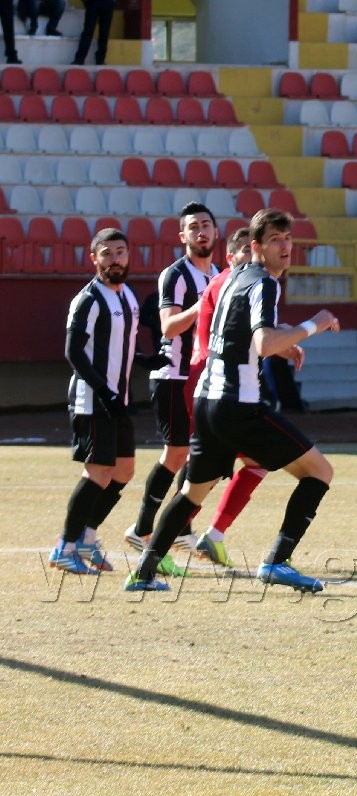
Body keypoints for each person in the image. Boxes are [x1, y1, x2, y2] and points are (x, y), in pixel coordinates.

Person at [126, 208, 341, 593]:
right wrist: (315, 323)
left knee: (192, 492)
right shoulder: (266, 284)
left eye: (288, 239)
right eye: (275, 240)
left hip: (207, 400)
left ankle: (143, 572)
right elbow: (263, 342)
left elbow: (237, 336)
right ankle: (276, 562)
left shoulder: (230, 278)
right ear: (256, 246)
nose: (285, 247)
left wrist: (282, 344)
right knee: (319, 472)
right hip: (238, 404)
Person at [49, 229, 170, 575]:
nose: (115, 259)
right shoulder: (88, 299)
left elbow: (124, 346)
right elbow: (74, 352)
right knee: (98, 471)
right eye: (107, 253)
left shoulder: (128, 296)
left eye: (120, 252)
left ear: (129, 256)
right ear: (94, 259)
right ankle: (64, 548)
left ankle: (87, 537)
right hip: (93, 399)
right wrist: (104, 392)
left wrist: (147, 361)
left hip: (117, 399)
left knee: (124, 470)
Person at [124, 202, 220, 575]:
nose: (201, 231)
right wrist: (203, 303)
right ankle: (143, 528)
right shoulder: (176, 275)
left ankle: (180, 527)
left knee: (203, 455)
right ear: (182, 236)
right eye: (193, 227)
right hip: (174, 376)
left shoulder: (219, 273)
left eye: (206, 225)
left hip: (205, 378)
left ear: (216, 232)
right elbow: (168, 326)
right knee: (178, 453)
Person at [188, 227, 282, 569]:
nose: (250, 257)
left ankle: (204, 535)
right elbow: (234, 340)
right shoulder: (231, 283)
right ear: (231, 257)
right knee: (205, 468)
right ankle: (159, 536)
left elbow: (252, 337)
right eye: (243, 251)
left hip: (222, 387)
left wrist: (285, 347)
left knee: (247, 462)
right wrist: (309, 328)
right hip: (216, 387)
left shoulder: (241, 283)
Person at [72, 0, 114, 66]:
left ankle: (99, 60)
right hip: (93, 3)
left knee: (103, 33)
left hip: (106, 3)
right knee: (88, 31)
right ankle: (80, 59)